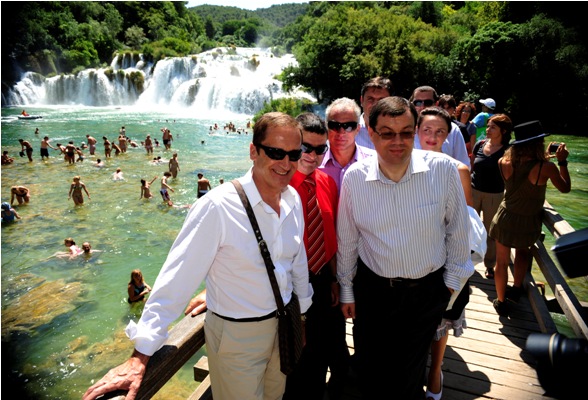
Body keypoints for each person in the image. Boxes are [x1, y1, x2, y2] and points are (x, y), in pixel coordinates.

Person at [82, 112, 313, 400]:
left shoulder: (292, 200)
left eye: (294, 154)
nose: (286, 163)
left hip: (283, 327)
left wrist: (301, 317)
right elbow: (176, 279)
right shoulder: (218, 206)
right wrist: (140, 354)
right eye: (276, 152)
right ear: (253, 151)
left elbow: (296, 263)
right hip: (237, 336)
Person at [336, 96, 473, 399]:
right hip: (372, 290)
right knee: (369, 367)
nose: (397, 141)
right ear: (371, 133)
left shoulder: (443, 171)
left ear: (414, 132)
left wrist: (448, 288)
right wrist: (346, 289)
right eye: (387, 133)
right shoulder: (355, 178)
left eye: (406, 132)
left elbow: (458, 234)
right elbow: (348, 239)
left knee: (409, 375)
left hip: (426, 292)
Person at [284, 112, 349, 400]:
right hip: (291, 286)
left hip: (323, 281)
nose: (312, 155)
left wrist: (334, 279)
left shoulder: (327, 182)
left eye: (320, 149)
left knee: (331, 351)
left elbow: (330, 235)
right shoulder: (279, 186)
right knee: (300, 361)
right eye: (305, 148)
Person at [416, 106, 480, 400]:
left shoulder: (459, 169)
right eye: (427, 130)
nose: (432, 136)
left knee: (442, 317)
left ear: (448, 135)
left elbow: (465, 221)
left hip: (445, 252)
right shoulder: (403, 163)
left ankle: (435, 372)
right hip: (412, 253)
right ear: (417, 131)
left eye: (439, 131)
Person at [489, 120, 571, 316]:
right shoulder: (546, 167)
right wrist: (562, 162)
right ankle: (516, 289)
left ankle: (501, 301)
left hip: (504, 217)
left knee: (501, 262)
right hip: (528, 220)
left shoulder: (503, 162)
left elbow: (520, 174)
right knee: (522, 254)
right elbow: (565, 188)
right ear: (538, 144)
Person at [471, 114, 513, 279]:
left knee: (491, 232)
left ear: (503, 131)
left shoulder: (509, 150)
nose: (488, 129)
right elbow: (471, 167)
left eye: (492, 127)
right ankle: (466, 260)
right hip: (474, 192)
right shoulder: (480, 144)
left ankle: (489, 265)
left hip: (495, 195)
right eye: (488, 126)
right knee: (469, 228)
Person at [319, 97, 376, 193]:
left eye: (349, 126)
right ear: (327, 127)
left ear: (358, 129)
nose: (341, 132)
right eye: (335, 125)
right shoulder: (314, 162)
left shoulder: (375, 162)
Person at [410, 85, 471, 169]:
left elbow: (464, 164)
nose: (422, 106)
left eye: (428, 102)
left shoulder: (453, 129)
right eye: (418, 102)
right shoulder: (405, 130)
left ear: (436, 104)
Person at [355, 76, 393, 149]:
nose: (375, 104)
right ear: (361, 100)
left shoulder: (400, 132)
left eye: (381, 100)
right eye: (370, 99)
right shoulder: (348, 130)